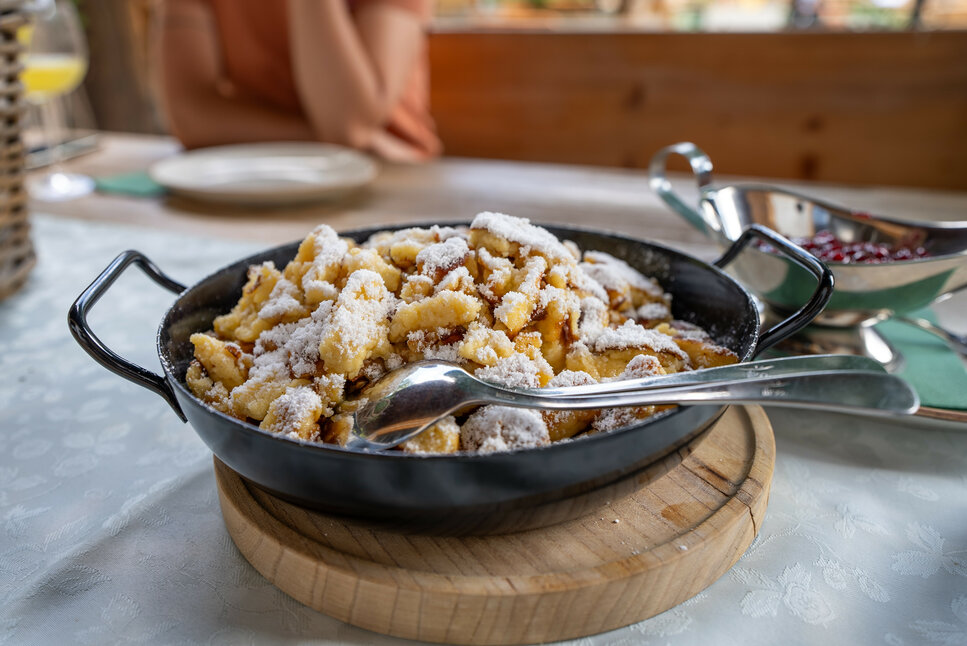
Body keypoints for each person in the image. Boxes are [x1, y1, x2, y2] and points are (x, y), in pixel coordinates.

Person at [155, 0, 442, 162]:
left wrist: (345, 139)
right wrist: (320, 139)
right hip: (259, 170)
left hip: (391, 176)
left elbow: (347, 123)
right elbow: (190, 115)